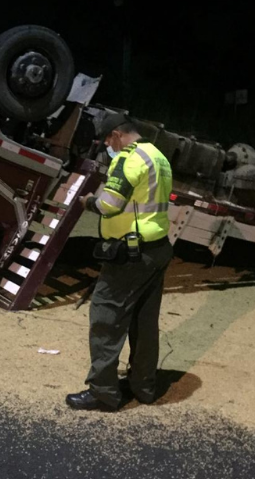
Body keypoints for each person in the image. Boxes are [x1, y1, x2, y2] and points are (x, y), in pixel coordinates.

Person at [66, 113, 174, 411]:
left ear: (116, 135)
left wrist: (88, 201)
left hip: (130, 254)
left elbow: (108, 205)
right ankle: (144, 386)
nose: (107, 146)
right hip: (158, 249)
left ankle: (103, 392)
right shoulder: (158, 157)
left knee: (105, 317)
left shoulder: (128, 159)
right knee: (144, 322)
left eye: (107, 140)